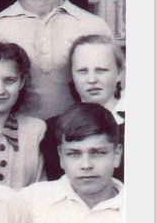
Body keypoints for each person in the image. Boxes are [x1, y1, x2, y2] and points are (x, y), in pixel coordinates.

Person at [40, 34, 125, 180]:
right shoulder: (53, 129)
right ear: (72, 76)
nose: (92, 79)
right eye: (82, 71)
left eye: (101, 70)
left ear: (119, 73)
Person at [0, 41, 46, 190]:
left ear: (21, 82)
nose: (0, 90)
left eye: (10, 81)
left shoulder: (36, 130)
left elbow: (40, 191)